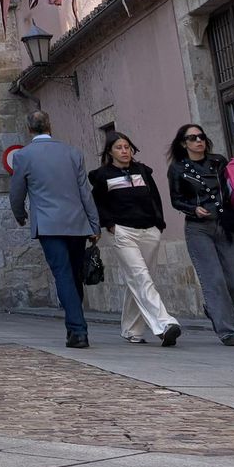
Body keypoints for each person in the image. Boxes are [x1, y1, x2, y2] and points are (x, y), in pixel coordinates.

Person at [9, 109, 100, 348]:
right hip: (77, 223)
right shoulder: (72, 153)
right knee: (74, 275)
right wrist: (94, 223)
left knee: (63, 274)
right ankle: (75, 326)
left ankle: (78, 330)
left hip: (48, 225)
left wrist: (20, 214)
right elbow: (84, 191)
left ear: (29, 129)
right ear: (50, 125)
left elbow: (17, 190)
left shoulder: (23, 156)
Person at [88, 130, 180, 347]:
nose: (124, 151)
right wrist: (109, 224)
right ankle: (165, 324)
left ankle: (132, 330)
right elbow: (97, 203)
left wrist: (159, 223)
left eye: (127, 147)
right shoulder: (102, 175)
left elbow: (155, 197)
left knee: (140, 279)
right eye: (119, 147)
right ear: (110, 151)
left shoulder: (142, 171)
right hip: (123, 232)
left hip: (149, 230)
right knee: (140, 277)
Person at [167, 123, 234, 346]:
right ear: (184, 144)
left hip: (225, 224)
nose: (198, 141)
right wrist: (193, 208)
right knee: (214, 279)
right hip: (198, 228)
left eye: (201, 136)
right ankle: (228, 331)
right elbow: (176, 199)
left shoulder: (218, 161)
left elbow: (231, 188)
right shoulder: (178, 168)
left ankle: (213, 308)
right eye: (192, 138)